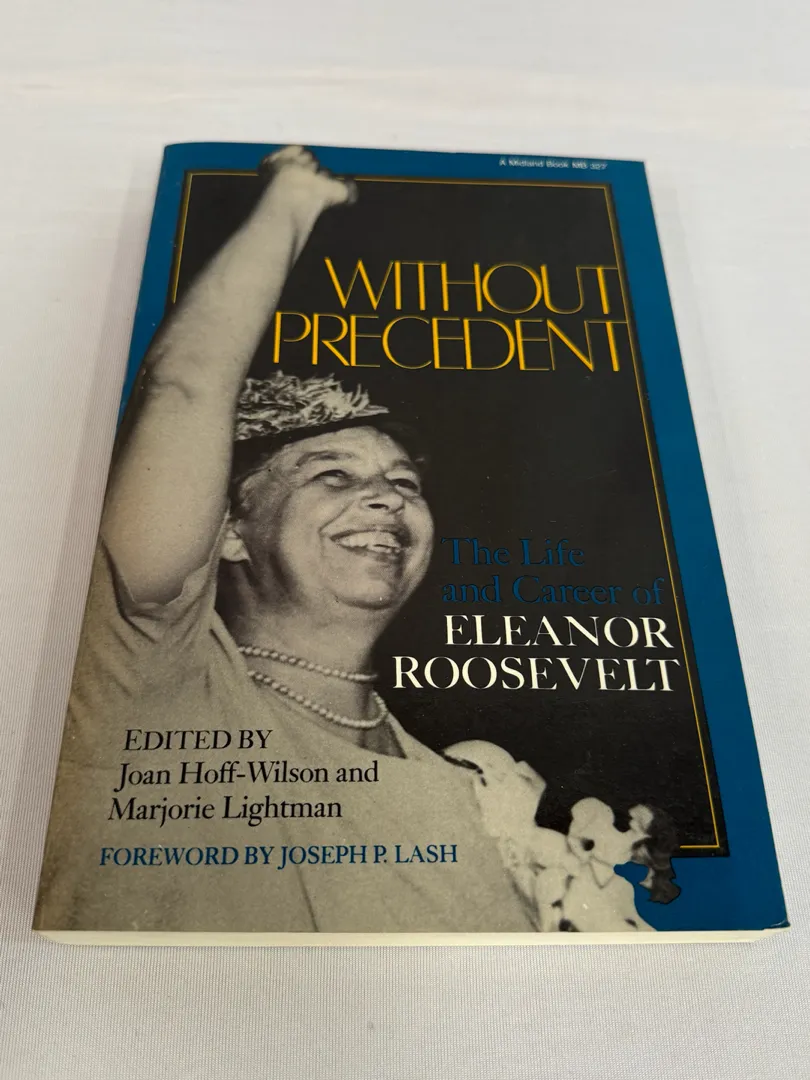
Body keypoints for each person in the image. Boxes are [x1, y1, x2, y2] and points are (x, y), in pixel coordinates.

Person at [35, 147, 538, 935]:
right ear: (230, 530)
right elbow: (183, 389)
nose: (387, 496)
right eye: (331, 474)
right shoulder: (151, 682)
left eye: (404, 482)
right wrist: (292, 202)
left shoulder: (469, 795)